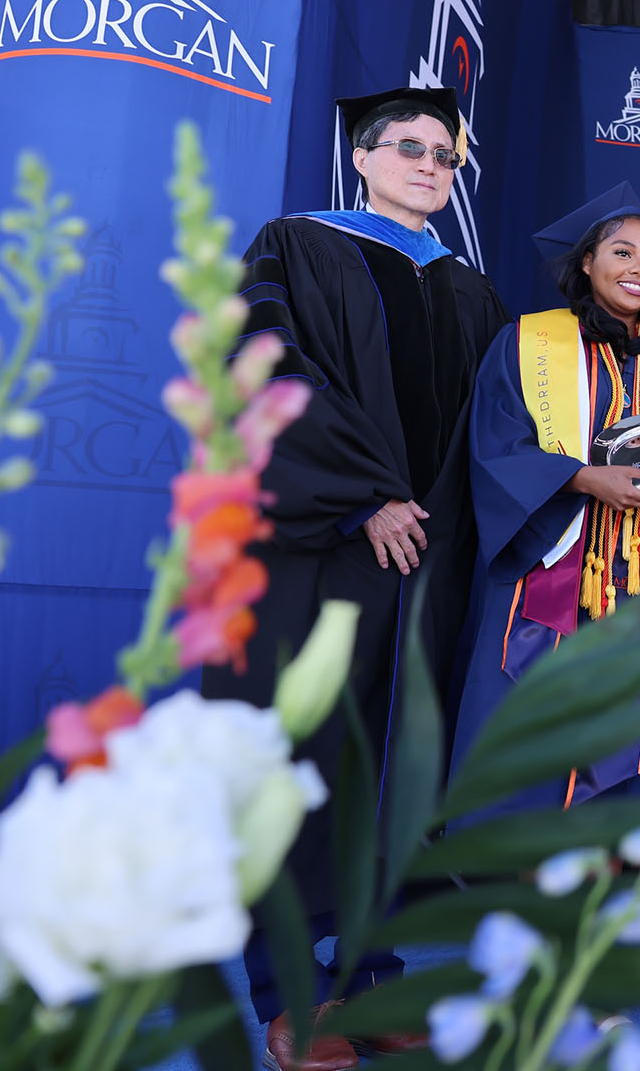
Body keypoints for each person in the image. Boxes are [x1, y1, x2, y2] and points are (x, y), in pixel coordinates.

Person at [213, 87, 508, 1070]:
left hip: (430, 566)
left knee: (391, 776)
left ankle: (372, 979)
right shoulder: (294, 247)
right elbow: (264, 370)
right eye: (410, 148)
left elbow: (492, 435)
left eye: (445, 155)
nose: (431, 165)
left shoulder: (469, 288)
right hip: (324, 551)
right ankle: (286, 996)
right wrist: (362, 498)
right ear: (364, 156)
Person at [450, 185, 640, 813]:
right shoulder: (529, 344)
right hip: (555, 564)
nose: (639, 270)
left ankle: (613, 884)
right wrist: (586, 478)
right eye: (622, 252)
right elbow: (496, 445)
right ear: (587, 261)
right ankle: (518, 888)